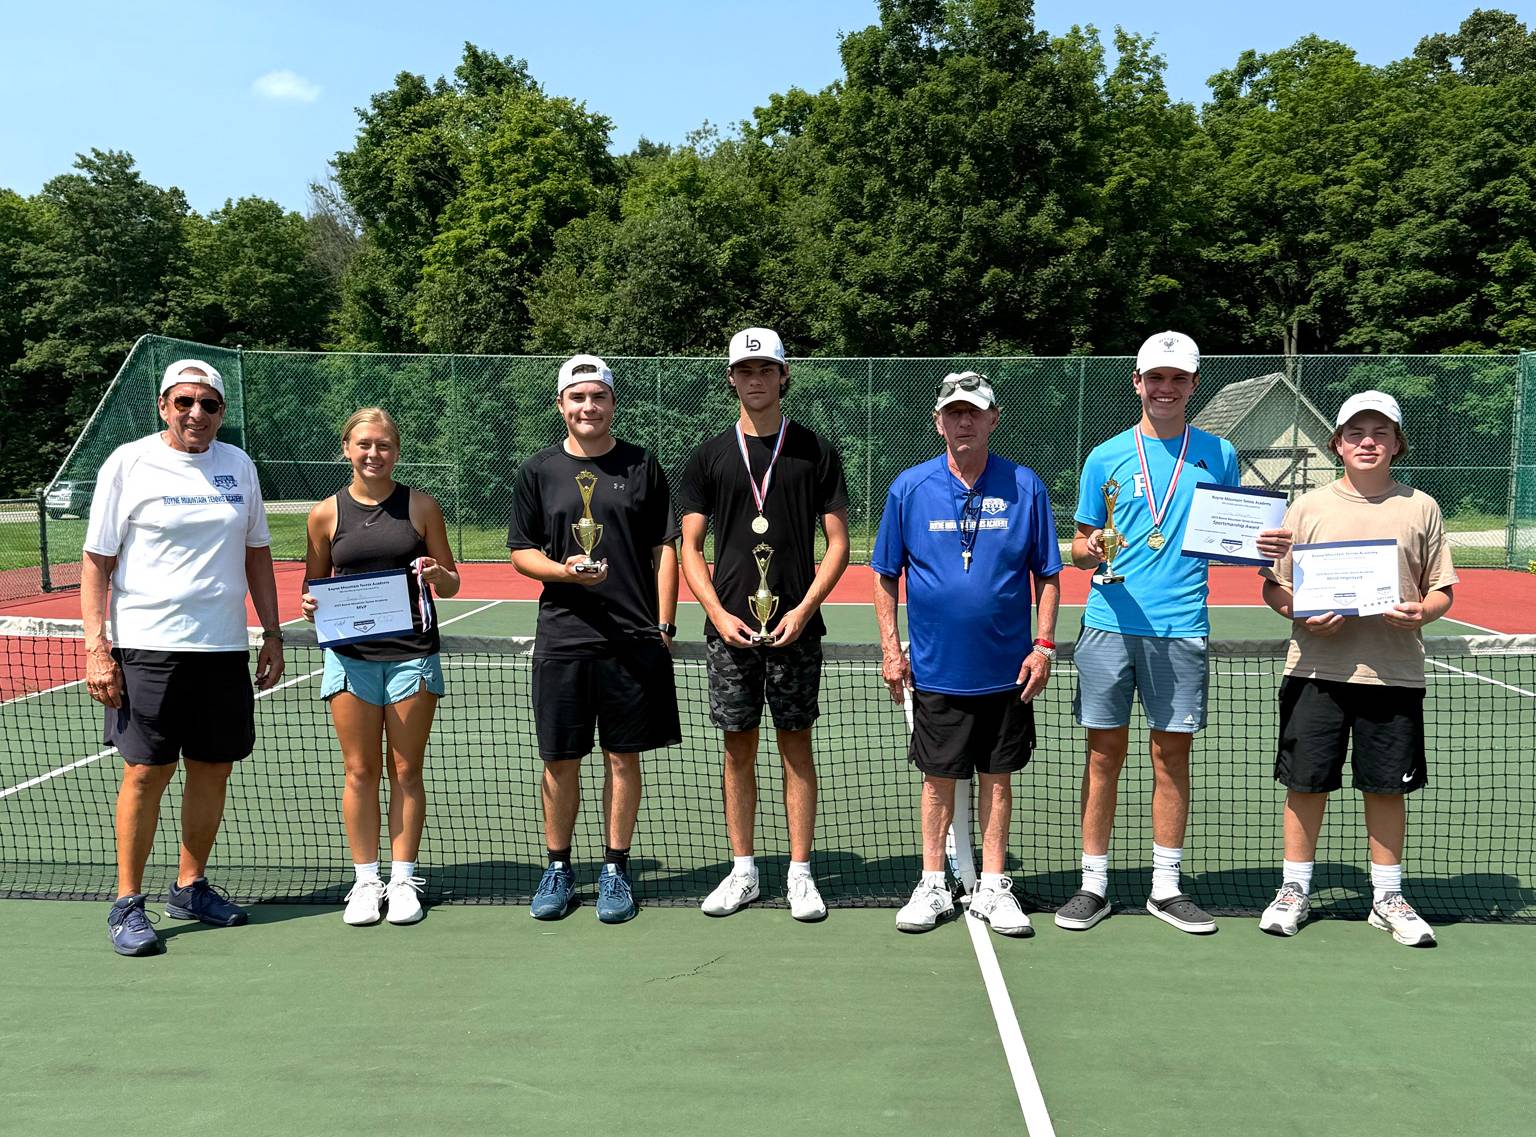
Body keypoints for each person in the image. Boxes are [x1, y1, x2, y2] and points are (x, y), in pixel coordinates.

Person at [1061, 331, 1292, 935]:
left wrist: (1263, 546)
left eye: (1178, 379)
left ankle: (1166, 886)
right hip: (1109, 624)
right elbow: (1085, 545)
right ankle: (1093, 884)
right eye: (1154, 378)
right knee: (1102, 756)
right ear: (1136, 383)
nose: (1165, 389)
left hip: (1181, 628)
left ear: (1192, 385)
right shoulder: (1105, 457)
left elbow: (1237, 532)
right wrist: (1090, 550)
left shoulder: (1217, 453)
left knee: (1171, 758)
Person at [82, 359, 285, 956]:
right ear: (164, 406)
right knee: (146, 772)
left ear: (222, 412)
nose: (196, 414)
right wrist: (98, 647)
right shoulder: (128, 462)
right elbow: (97, 560)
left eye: (209, 405)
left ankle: (190, 885)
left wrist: (271, 632)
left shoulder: (238, 465)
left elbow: (256, 554)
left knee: (212, 767)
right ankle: (127, 902)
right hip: (147, 645)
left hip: (221, 647)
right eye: (184, 402)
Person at [1257, 391, 1454, 945]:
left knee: (1386, 788)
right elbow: (1276, 587)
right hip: (1316, 668)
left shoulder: (1422, 507)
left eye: (1381, 433)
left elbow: (1442, 592)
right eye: (1356, 434)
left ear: (1397, 443)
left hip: (1393, 674)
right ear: (1337, 443)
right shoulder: (1305, 508)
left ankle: (1387, 897)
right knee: (1306, 784)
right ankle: (1294, 889)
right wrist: (1298, 611)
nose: (1368, 443)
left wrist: (1422, 612)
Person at [873, 372, 1061, 937]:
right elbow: (884, 577)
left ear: (992, 419)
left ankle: (993, 886)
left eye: (974, 412)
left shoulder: (1026, 486)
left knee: (997, 779)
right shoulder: (909, 488)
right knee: (937, 780)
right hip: (936, 668)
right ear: (938, 421)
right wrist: (891, 648)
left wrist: (1044, 646)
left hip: (1007, 670)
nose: (963, 421)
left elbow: (1048, 575)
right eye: (953, 412)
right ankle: (934, 882)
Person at [678, 327, 850, 921]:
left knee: (796, 748)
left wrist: (803, 610)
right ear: (732, 379)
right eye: (745, 370)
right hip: (731, 632)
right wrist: (718, 614)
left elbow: (838, 544)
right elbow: (690, 546)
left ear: (783, 376)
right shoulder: (708, 455)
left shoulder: (815, 451)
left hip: (795, 630)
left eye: (766, 369)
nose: (756, 379)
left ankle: (800, 874)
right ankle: (744, 870)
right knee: (737, 751)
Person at [508, 354, 681, 925]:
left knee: (622, 758)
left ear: (612, 403)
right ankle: (558, 867)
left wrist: (663, 624)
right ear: (561, 405)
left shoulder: (643, 465)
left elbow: (664, 549)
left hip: (632, 637)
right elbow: (522, 552)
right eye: (577, 398)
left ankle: (614, 868)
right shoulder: (537, 472)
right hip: (563, 637)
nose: (589, 407)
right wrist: (564, 571)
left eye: (598, 397)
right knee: (560, 759)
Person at [301, 408, 460, 927]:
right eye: (364, 444)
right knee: (360, 771)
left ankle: (402, 878)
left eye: (384, 445)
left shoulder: (421, 507)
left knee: (406, 770)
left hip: (412, 657)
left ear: (396, 450)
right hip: (350, 661)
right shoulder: (324, 514)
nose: (374, 454)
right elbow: (316, 584)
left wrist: (439, 573)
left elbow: (452, 582)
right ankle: (366, 881)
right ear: (346, 448)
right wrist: (309, 605)